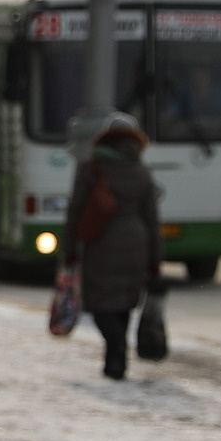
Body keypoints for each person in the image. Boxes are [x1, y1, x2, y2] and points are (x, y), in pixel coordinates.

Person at [59, 113, 162, 380]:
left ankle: (115, 350)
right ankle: (115, 361)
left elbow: (75, 211)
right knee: (123, 303)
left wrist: (69, 249)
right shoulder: (142, 173)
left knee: (101, 304)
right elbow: (152, 221)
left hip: (101, 243)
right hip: (137, 245)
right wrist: (155, 262)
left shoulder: (92, 169)